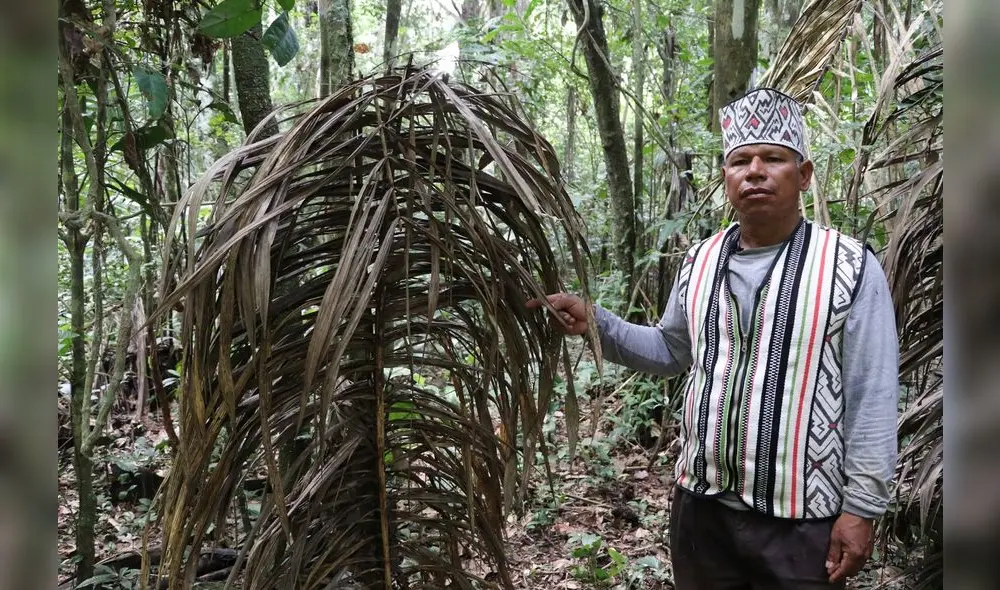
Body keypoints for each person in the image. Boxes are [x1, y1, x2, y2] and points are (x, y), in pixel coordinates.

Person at [528, 87, 899, 589]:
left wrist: (862, 508)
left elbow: (872, 392)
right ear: (726, 178)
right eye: (740, 161)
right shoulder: (700, 260)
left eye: (774, 158)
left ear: (804, 174)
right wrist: (597, 322)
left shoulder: (850, 266)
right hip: (701, 511)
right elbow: (670, 350)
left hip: (801, 518)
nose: (755, 171)